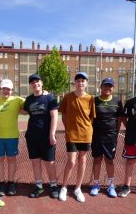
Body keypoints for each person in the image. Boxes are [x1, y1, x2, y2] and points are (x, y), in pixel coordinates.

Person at [58, 72, 96, 202]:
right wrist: (69, 128)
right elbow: (63, 115)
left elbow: (91, 118)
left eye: (83, 80)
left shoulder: (91, 98)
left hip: (86, 134)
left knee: (83, 160)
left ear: (86, 83)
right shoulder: (67, 97)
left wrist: (85, 129)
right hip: (72, 134)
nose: (80, 83)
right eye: (78, 80)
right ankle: (64, 187)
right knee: (72, 161)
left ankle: (77, 188)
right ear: (75, 83)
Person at [22, 74, 59, 198]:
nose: (35, 84)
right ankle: (39, 186)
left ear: (41, 83)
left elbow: (54, 116)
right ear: (30, 85)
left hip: (46, 137)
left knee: (49, 162)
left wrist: (52, 134)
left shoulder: (49, 98)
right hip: (32, 136)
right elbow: (23, 110)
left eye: (37, 81)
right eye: (32, 82)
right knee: (35, 162)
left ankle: (53, 185)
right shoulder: (28, 99)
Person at [89, 78, 123, 198]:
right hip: (96, 136)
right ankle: (96, 184)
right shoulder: (94, 101)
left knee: (109, 160)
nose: (107, 88)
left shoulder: (117, 101)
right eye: (105, 86)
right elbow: (90, 119)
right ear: (101, 87)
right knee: (97, 159)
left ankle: (110, 185)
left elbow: (119, 119)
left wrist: (116, 132)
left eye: (110, 86)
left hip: (111, 137)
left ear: (113, 88)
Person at [0, 79, 25, 196]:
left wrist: (45, 92)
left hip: (12, 136)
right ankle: (1, 183)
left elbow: (31, 102)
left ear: (12, 90)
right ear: (0, 89)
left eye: (9, 89)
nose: (6, 91)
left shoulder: (17, 100)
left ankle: (11, 183)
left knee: (12, 160)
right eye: (4, 89)